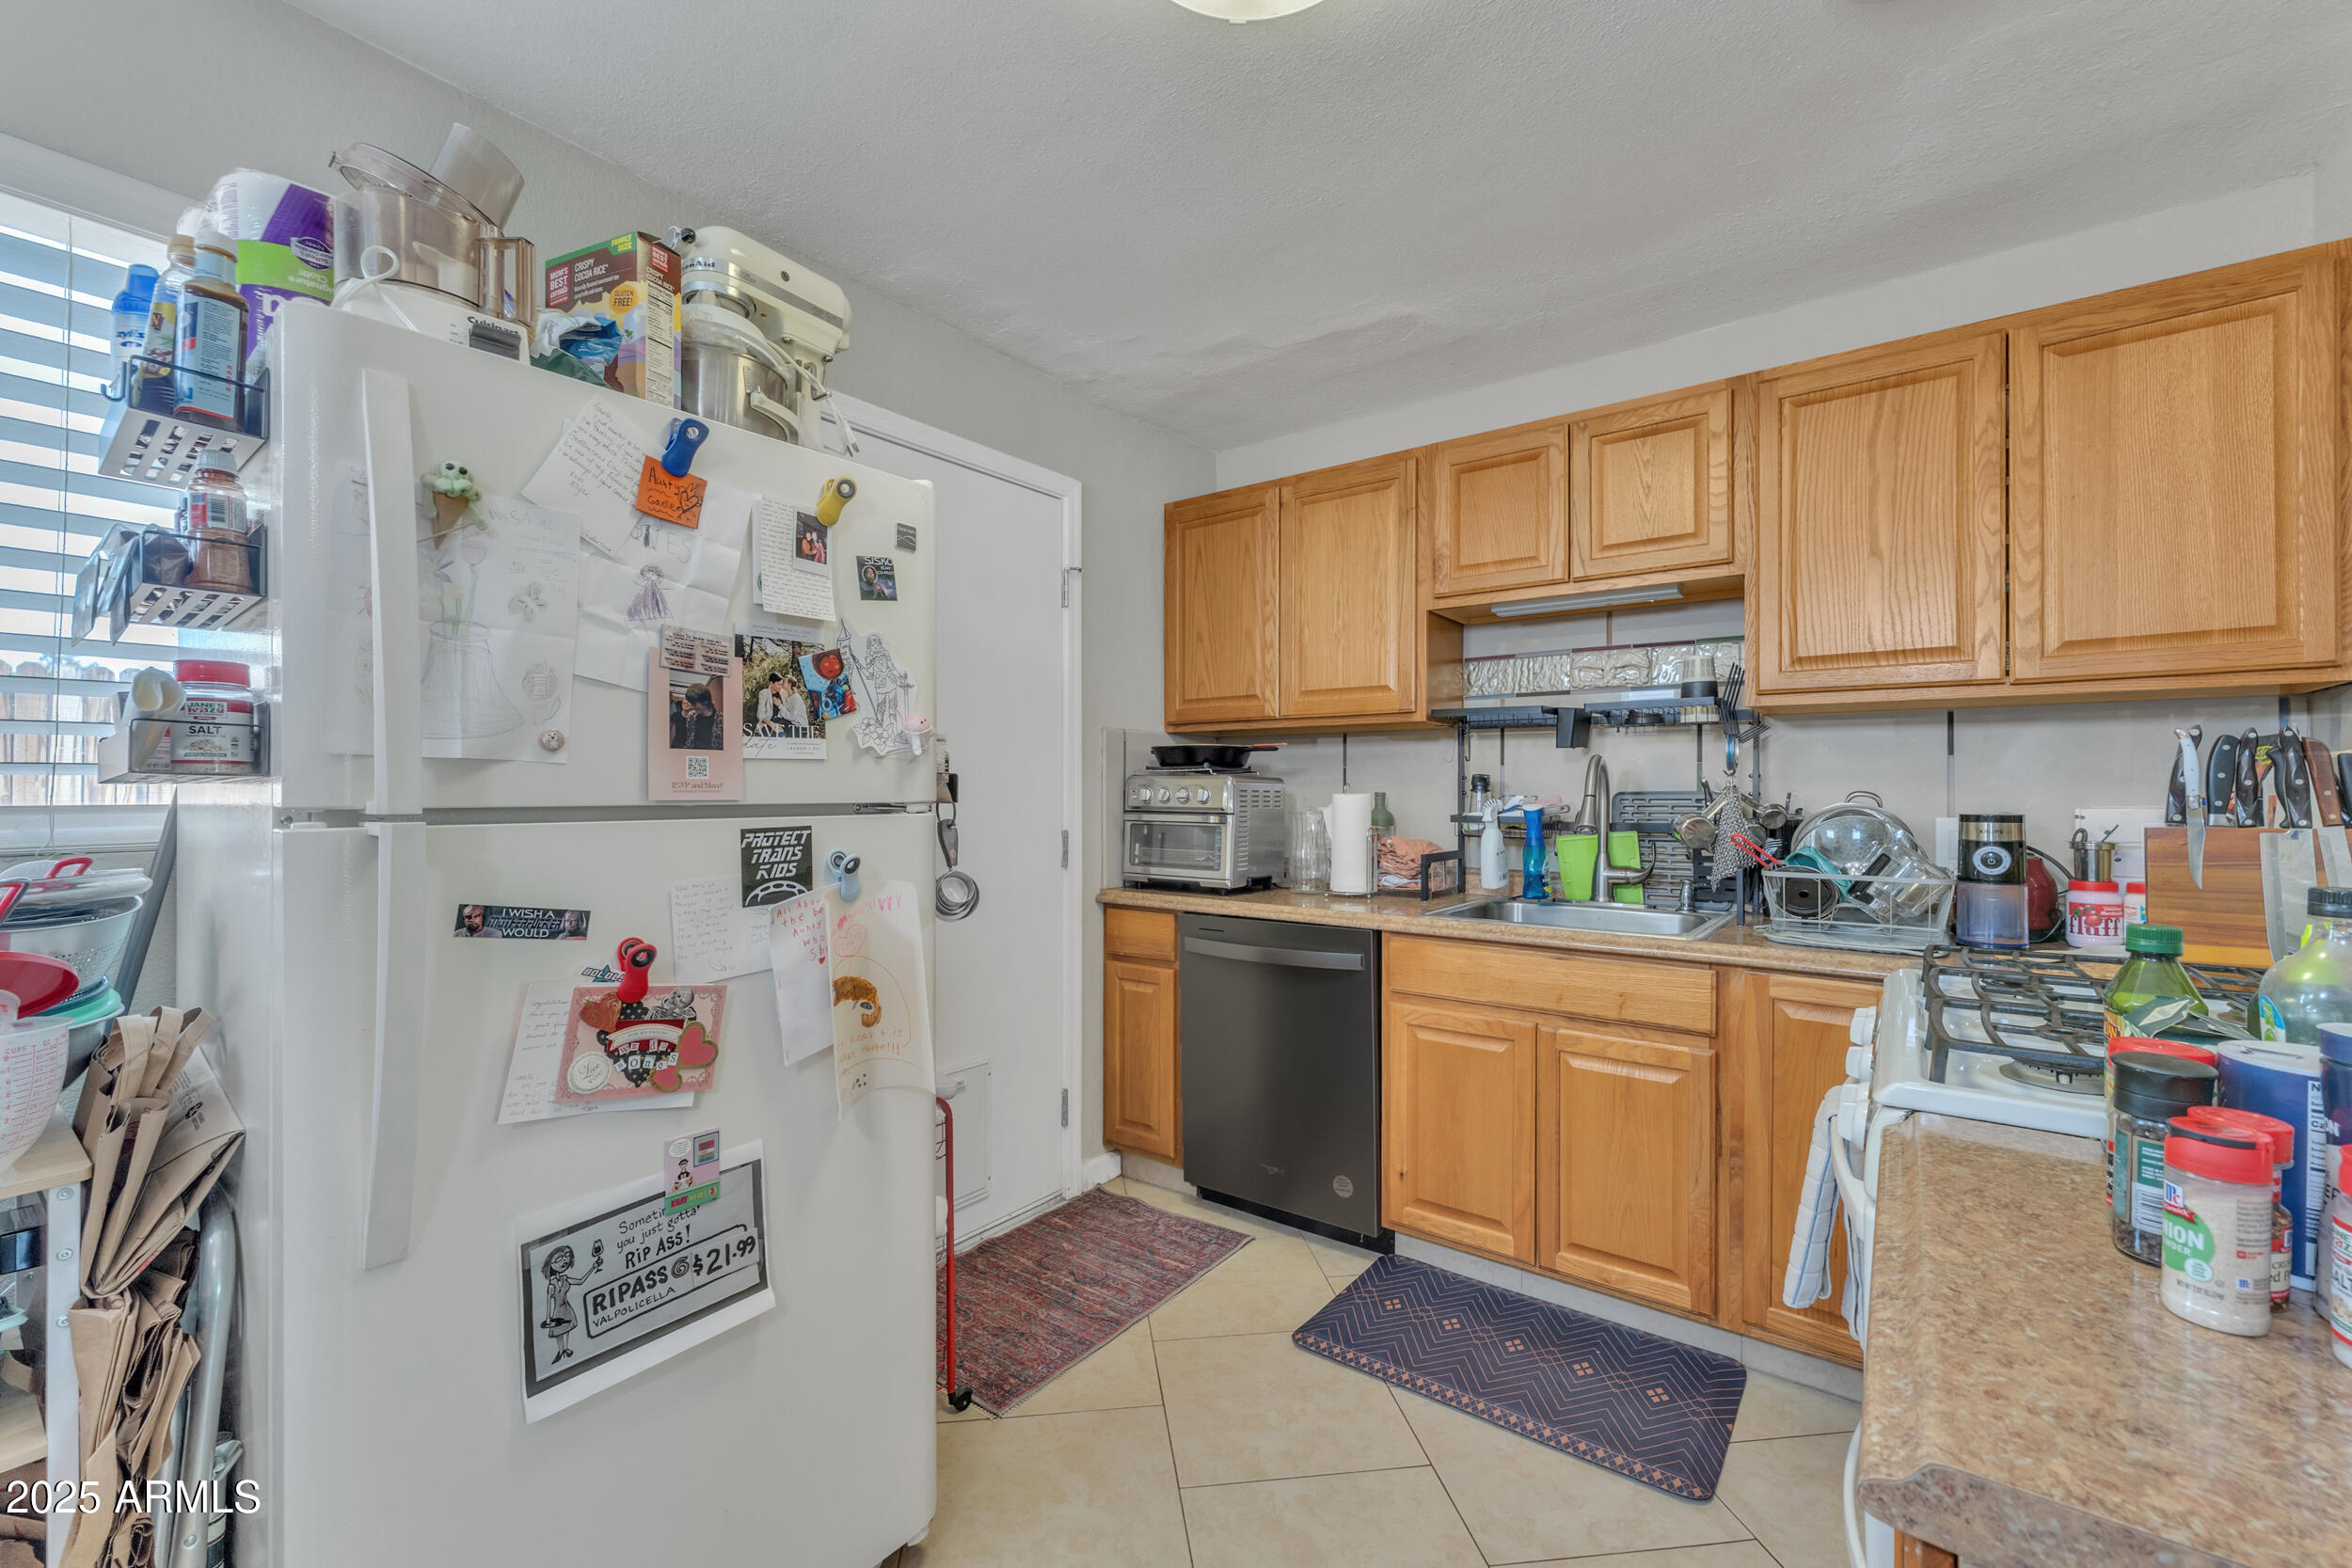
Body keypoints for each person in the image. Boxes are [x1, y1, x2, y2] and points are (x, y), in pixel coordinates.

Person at [538, 1240, 603, 1365]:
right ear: (550, 1264)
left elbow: (581, 1281)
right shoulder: (551, 1285)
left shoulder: (565, 1278)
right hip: (557, 1311)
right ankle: (560, 1350)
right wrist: (548, 1320)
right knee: (558, 1332)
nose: (565, 1261)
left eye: (567, 1258)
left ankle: (566, 1349)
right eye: (560, 1258)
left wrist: (593, 1268)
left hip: (567, 1309)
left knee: (567, 1329)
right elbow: (547, 1303)